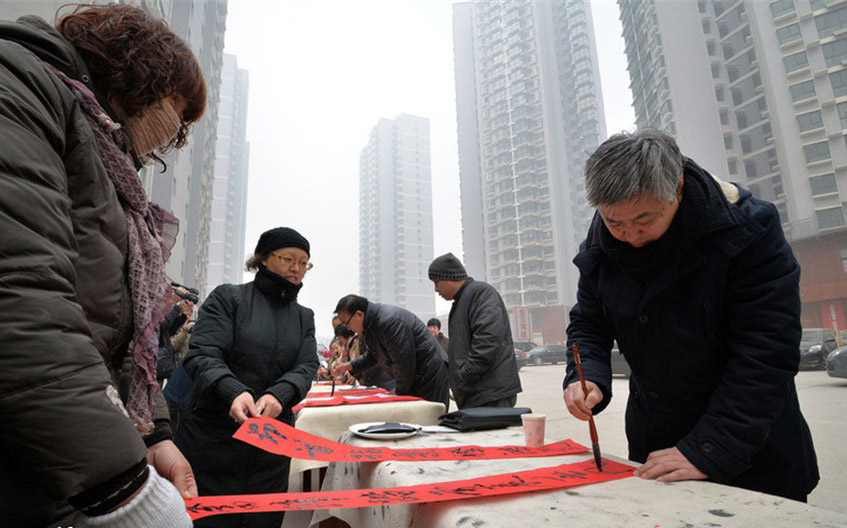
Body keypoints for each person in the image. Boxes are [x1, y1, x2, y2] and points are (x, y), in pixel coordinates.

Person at [0, 4, 205, 526]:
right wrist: (119, 486)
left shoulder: (110, 166)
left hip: (48, 474)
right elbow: (23, 298)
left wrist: (154, 433)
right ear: (144, 74)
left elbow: (122, 336)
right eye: (178, 114)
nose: (173, 137)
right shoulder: (20, 83)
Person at [562, 128, 819, 501]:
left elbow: (766, 353)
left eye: (644, 220)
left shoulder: (746, 231)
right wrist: (588, 377)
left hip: (748, 450)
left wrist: (710, 448)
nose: (630, 235)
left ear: (677, 189)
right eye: (615, 222)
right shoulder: (601, 245)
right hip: (657, 447)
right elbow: (588, 321)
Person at [175, 227, 319, 528]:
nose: (296, 269)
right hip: (214, 438)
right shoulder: (230, 298)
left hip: (270, 446)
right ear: (263, 259)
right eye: (288, 259)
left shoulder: (304, 316)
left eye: (303, 262)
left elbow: (306, 366)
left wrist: (279, 395)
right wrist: (233, 391)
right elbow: (202, 354)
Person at [429, 253, 522, 409]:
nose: (436, 289)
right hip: (475, 392)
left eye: (437, 282)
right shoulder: (462, 300)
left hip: (490, 393)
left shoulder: (480, 293)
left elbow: (488, 340)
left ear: (449, 276)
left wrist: (463, 375)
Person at [332, 294, 449, 409]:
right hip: (416, 375)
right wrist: (349, 366)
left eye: (347, 323)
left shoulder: (388, 321)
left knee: (429, 419)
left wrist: (398, 391)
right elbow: (373, 355)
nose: (347, 328)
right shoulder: (371, 325)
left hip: (429, 375)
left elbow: (403, 362)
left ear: (359, 314)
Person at [336, 322, 395, 390]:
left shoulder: (357, 340)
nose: (349, 327)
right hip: (375, 381)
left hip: (381, 382)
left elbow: (367, 359)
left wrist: (352, 369)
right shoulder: (358, 339)